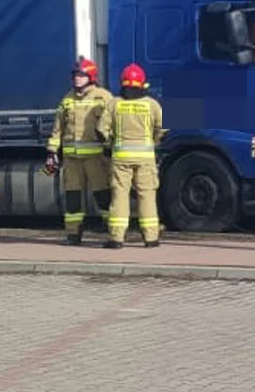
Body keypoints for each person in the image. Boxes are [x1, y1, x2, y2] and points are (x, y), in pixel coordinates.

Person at [45, 57, 114, 245]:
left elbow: (113, 125)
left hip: (96, 160)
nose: (77, 78)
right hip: (71, 160)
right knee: (73, 198)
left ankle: (113, 234)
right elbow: (58, 127)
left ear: (91, 77)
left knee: (103, 197)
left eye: (81, 75)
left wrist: (110, 150)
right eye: (75, 75)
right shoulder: (67, 99)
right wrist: (52, 151)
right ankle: (73, 235)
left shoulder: (104, 97)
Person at [97, 63, 165, 249]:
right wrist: (154, 142)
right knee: (147, 195)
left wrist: (109, 145)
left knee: (119, 196)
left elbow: (101, 130)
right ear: (143, 84)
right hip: (146, 159)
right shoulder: (152, 105)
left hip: (120, 159)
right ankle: (151, 238)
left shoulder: (115, 104)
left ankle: (116, 238)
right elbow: (163, 129)